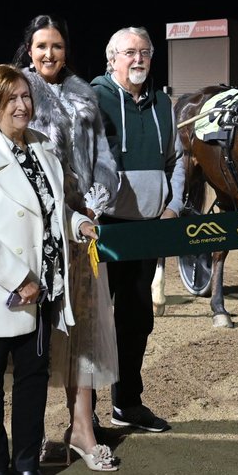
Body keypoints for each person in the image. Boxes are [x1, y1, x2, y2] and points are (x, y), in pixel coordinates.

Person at [0, 64, 98, 475]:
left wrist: (78, 225)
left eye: (25, 97)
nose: (22, 105)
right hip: (2, 291)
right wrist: (20, 278)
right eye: (11, 98)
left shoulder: (41, 147)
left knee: (33, 379)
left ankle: (27, 461)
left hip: (45, 288)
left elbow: (50, 209)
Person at [15, 15, 121, 471]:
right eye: (41, 46)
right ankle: (33, 434)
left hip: (83, 233)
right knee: (37, 336)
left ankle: (81, 428)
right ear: (29, 50)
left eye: (56, 46)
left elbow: (102, 158)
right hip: (37, 230)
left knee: (83, 332)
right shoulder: (18, 93)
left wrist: (101, 194)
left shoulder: (84, 95)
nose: (49, 54)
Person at [90, 26, 185, 434]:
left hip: (147, 229)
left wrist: (174, 204)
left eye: (145, 52)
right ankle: (84, 416)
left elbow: (177, 159)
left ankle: (127, 403)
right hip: (104, 230)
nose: (139, 59)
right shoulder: (95, 98)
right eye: (130, 52)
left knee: (136, 321)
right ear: (112, 59)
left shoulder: (164, 102)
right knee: (92, 326)